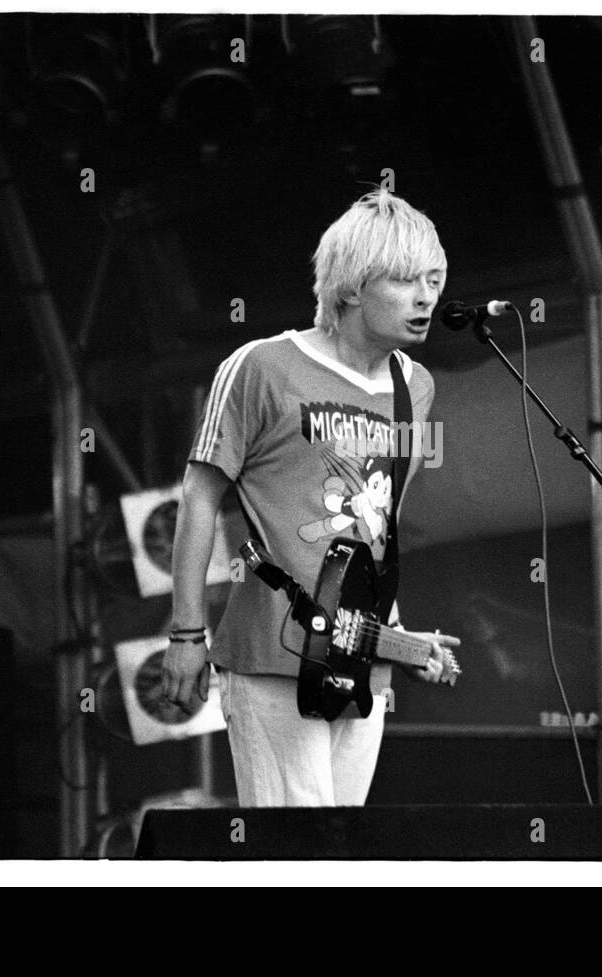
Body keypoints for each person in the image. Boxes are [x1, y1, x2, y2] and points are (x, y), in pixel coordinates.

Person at [161, 189, 461, 807]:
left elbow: (380, 531)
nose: (426, 296)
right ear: (350, 288)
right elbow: (198, 500)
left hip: (364, 655)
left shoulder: (416, 387)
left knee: (342, 855)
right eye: (405, 280)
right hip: (273, 648)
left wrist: (401, 640)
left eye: (434, 279)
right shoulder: (262, 366)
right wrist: (187, 634)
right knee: (296, 858)